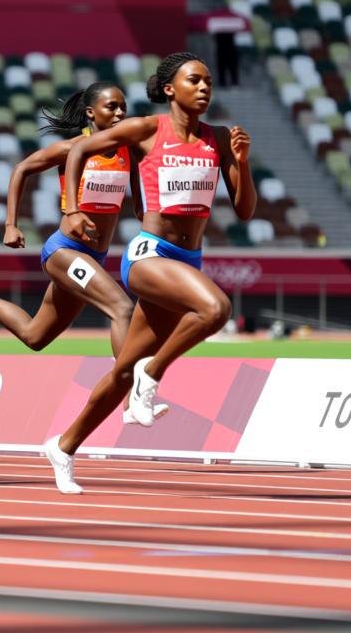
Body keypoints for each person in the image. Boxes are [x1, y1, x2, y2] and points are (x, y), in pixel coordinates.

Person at [44, 52, 255, 494]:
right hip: (149, 256)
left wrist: (241, 162)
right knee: (216, 308)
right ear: (167, 89)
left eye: (209, 81)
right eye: (194, 80)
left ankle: (63, 446)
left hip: (187, 261)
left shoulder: (218, 138)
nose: (204, 87)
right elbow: (80, 147)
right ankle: (153, 375)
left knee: (122, 370)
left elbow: (245, 210)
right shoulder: (146, 129)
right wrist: (72, 208)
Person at [0, 82, 165, 426]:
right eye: (111, 107)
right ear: (90, 113)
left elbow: (142, 204)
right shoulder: (72, 148)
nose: (120, 113)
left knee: (35, 336)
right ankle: (133, 399)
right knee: (122, 308)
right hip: (64, 251)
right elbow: (21, 169)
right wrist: (11, 224)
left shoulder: (129, 150)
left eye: (123, 107)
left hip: (94, 257)